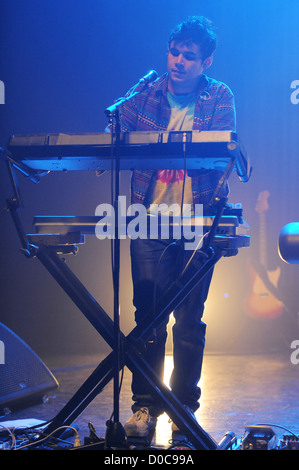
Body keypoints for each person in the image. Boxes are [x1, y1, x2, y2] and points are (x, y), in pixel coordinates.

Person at [117, 15, 236, 439]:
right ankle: (145, 407)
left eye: (189, 56)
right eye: (174, 52)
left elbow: (222, 151)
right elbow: (114, 124)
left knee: (189, 319)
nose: (179, 61)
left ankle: (184, 407)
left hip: (197, 222)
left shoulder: (218, 96)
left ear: (205, 61)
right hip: (149, 220)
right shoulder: (147, 93)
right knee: (147, 317)